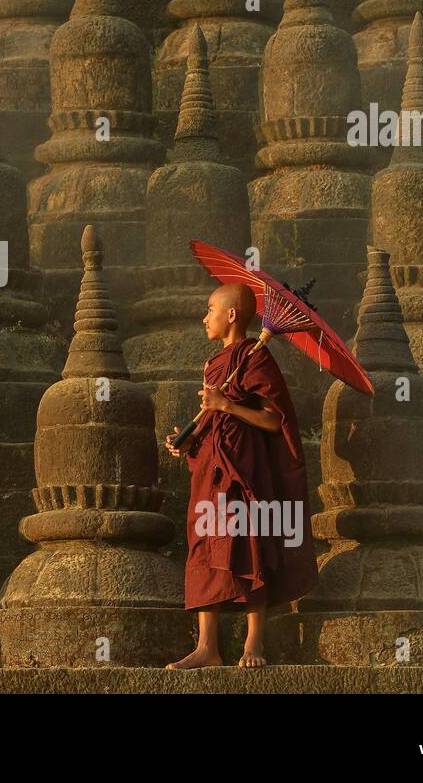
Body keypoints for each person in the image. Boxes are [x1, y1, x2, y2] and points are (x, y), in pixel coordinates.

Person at [164, 282, 317, 669]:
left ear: (231, 314)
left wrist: (226, 406)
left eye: (210, 308)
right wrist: (188, 439)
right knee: (205, 548)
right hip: (211, 470)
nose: (205, 317)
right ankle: (207, 648)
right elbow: (213, 416)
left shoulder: (256, 359)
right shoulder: (216, 363)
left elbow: (271, 420)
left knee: (249, 545)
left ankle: (253, 645)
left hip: (245, 471)